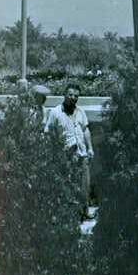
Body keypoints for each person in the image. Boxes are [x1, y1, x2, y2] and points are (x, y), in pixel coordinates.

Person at [44, 82, 95, 214]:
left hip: (82, 154)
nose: (73, 98)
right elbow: (49, 134)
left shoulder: (80, 112)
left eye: (76, 96)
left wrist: (90, 148)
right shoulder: (55, 113)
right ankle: (68, 215)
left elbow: (86, 130)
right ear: (64, 95)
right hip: (66, 156)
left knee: (84, 185)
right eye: (70, 95)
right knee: (68, 186)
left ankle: (84, 213)